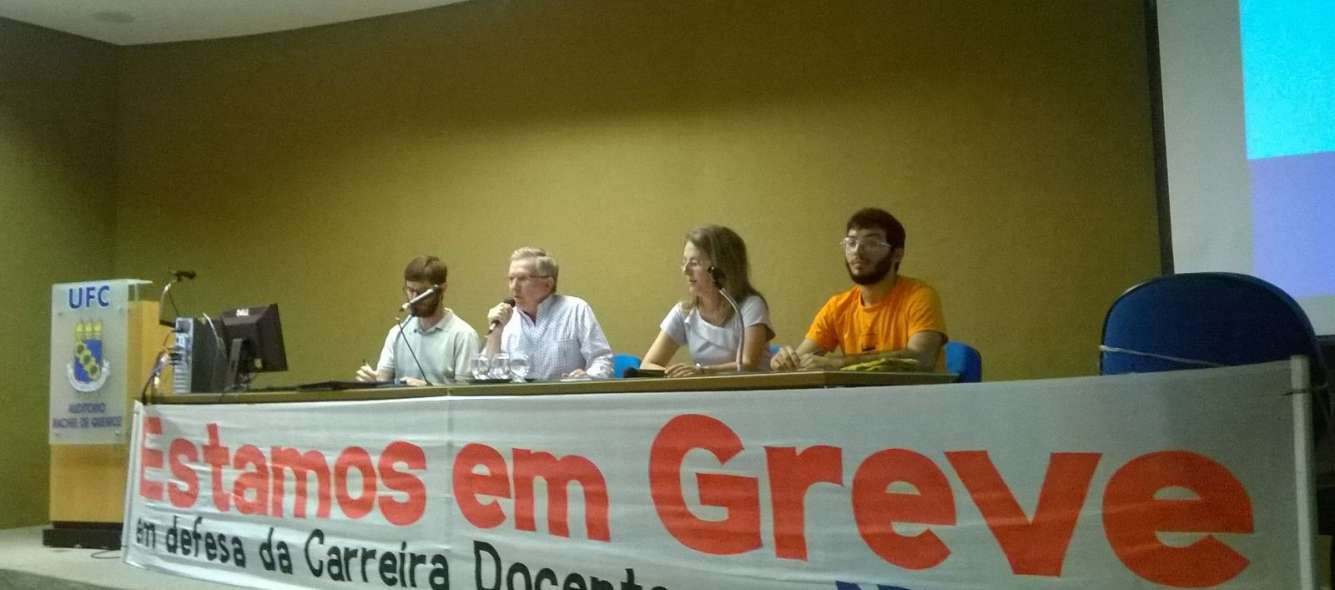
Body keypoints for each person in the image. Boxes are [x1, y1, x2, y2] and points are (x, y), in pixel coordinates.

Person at [772, 207, 946, 371]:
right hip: (858, 393)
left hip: (915, 392)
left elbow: (921, 357)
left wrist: (838, 363)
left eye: (871, 243)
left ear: (897, 254)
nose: (857, 252)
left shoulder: (919, 296)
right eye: (851, 242)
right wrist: (786, 362)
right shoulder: (837, 306)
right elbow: (801, 360)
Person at [640, 225, 775, 377]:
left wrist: (704, 371)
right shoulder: (684, 312)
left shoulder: (750, 305)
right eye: (684, 262)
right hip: (705, 391)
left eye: (694, 263)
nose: (685, 270)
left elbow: (747, 363)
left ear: (721, 269)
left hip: (752, 389)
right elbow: (647, 365)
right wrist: (678, 374)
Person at [485, 247, 614, 380]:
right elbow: (487, 376)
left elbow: (602, 359)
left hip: (566, 392)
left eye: (522, 279)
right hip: (518, 393)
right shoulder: (505, 319)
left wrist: (588, 377)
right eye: (511, 279)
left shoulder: (575, 309)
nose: (514, 286)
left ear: (548, 284)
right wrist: (495, 334)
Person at [356, 255, 480, 385]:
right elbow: (383, 380)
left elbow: (465, 391)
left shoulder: (463, 335)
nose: (414, 299)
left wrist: (426, 388)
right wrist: (373, 381)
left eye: (422, 292)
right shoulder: (397, 333)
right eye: (410, 290)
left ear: (442, 289)